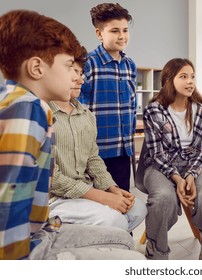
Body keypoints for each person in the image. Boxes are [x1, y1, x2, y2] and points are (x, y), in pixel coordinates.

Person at [0, 10, 144, 260]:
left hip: (43, 228)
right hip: (29, 251)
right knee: (132, 257)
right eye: (70, 67)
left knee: (123, 237)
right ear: (36, 68)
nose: (77, 77)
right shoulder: (29, 108)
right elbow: (9, 207)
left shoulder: (22, 103)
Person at [48, 46, 147, 234]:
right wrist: (101, 197)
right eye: (73, 72)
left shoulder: (86, 116)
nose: (81, 79)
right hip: (55, 200)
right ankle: (61, 232)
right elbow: (53, 178)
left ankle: (90, 239)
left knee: (138, 209)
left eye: (80, 72)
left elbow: (93, 158)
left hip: (84, 193)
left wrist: (111, 188)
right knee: (116, 222)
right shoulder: (43, 114)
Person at [141, 58, 202, 260]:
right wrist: (177, 178)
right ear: (169, 79)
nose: (190, 82)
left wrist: (191, 176)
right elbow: (156, 153)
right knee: (163, 199)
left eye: (192, 77)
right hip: (160, 166)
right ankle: (157, 250)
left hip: (194, 164)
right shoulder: (154, 111)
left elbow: (201, 150)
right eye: (183, 76)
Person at [79, 3, 136, 192]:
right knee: (103, 208)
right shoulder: (89, 64)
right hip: (96, 153)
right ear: (99, 33)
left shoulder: (130, 65)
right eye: (114, 31)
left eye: (125, 30)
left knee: (123, 203)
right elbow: (80, 109)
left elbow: (132, 104)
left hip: (123, 150)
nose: (122, 36)